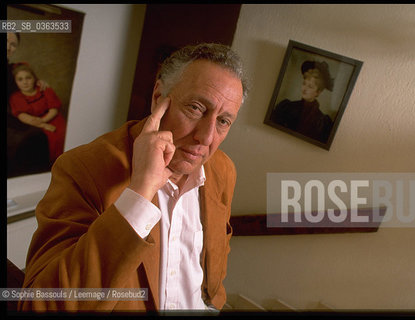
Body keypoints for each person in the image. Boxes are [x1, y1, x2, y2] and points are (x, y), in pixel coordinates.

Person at [19, 43, 248, 313]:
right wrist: (139, 193)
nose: (206, 138)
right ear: (158, 96)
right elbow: (40, 305)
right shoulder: (82, 168)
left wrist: (214, 303)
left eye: (223, 121)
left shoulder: (223, 170)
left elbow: (214, 256)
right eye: (196, 108)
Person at [6, 32, 50, 177]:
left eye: (13, 45)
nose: (8, 47)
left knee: (38, 137)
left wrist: (38, 85)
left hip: (13, 117)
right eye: (6, 41)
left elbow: (24, 87)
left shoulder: (14, 69)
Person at [10, 63, 67, 164]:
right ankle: (53, 164)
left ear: (34, 78)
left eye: (28, 78)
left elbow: (54, 109)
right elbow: (23, 117)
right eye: (20, 79)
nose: (25, 82)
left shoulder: (44, 89)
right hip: (35, 123)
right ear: (15, 82)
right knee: (46, 140)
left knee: (63, 134)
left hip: (52, 117)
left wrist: (43, 120)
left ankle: (67, 160)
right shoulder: (16, 97)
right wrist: (43, 125)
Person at [271, 60, 334, 143]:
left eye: (310, 86)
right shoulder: (287, 107)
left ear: (318, 92)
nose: (304, 89)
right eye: (304, 84)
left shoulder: (322, 122)